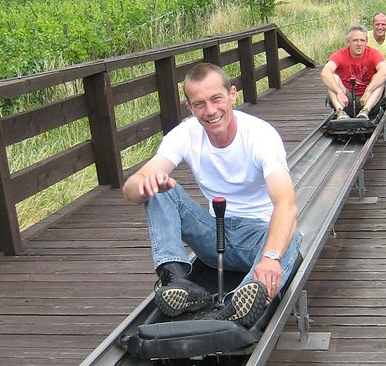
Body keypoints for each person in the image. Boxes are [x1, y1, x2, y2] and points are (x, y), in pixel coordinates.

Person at [122, 63, 302, 328]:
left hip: (257, 237)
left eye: (216, 99)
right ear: (190, 108)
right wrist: (147, 186)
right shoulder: (185, 134)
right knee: (159, 189)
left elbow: (286, 204)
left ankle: (243, 299)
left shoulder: (261, 136)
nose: (210, 111)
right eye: (199, 104)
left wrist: (270, 257)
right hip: (213, 234)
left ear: (232, 94)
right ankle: (176, 279)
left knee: (290, 235)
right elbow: (131, 187)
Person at [321, 25, 386, 120]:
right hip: (345, 98)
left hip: (368, 98)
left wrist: (368, 91)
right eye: (355, 40)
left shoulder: (373, 54)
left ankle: (365, 112)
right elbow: (325, 72)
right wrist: (339, 92)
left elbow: (384, 71)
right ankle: (340, 112)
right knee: (332, 77)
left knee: (379, 80)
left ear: (366, 42)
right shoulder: (340, 54)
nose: (359, 44)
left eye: (362, 40)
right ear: (348, 42)